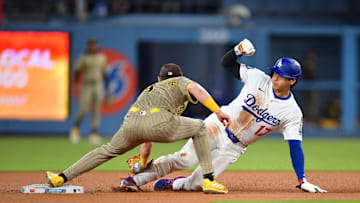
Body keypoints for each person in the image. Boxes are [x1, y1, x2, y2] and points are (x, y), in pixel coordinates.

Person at [120, 39, 327, 193]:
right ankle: (134, 181)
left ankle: (175, 183)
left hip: (235, 147)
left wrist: (302, 180)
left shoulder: (292, 112)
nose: (275, 78)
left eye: (281, 76)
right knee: (182, 160)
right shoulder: (257, 78)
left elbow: (295, 146)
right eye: (275, 73)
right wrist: (237, 50)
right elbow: (227, 64)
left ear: (292, 81)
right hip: (217, 126)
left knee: (197, 185)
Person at [46, 63, 231, 194]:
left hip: (131, 123)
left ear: (159, 79)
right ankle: (209, 180)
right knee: (199, 127)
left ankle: (61, 177)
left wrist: (142, 163)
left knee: (106, 151)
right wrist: (218, 111)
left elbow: (146, 135)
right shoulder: (181, 81)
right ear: (179, 76)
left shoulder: (151, 89)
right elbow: (196, 89)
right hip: (160, 122)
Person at [70, 37, 108, 145]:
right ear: (88, 46)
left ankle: (94, 133)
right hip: (87, 84)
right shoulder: (83, 58)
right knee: (83, 109)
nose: (92, 47)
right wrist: (76, 85)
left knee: (96, 110)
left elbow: (105, 74)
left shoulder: (101, 57)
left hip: (97, 84)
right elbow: (77, 72)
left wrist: (107, 89)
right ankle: (75, 129)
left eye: (94, 44)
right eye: (91, 45)